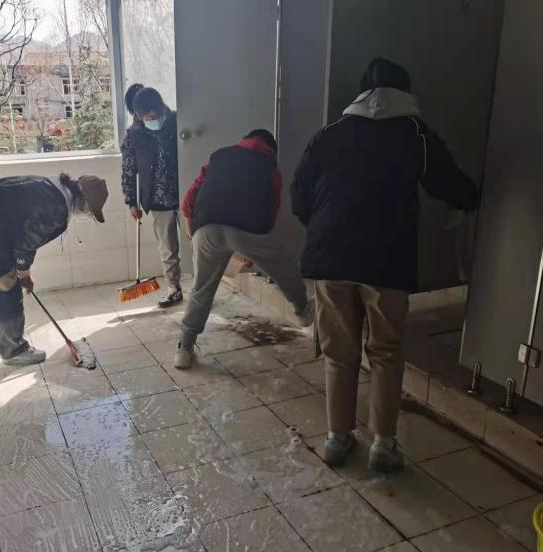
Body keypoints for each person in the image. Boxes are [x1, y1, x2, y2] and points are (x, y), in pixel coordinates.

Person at [292, 58, 479, 472]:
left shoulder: (330, 133)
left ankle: (337, 439)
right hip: (388, 261)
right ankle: (383, 445)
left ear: (361, 93)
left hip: (330, 258)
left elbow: (299, 194)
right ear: (405, 92)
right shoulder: (415, 134)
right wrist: (473, 199)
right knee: (385, 352)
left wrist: (324, 232)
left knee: (339, 354)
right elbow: (451, 184)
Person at [174, 129, 313, 369]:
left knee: (201, 290)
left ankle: (184, 349)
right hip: (247, 231)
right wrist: (253, 248)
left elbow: (188, 202)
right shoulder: (270, 167)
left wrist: (192, 236)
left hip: (206, 230)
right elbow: (270, 213)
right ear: (271, 149)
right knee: (285, 268)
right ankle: (302, 310)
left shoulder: (218, 157)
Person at [0, 174, 108, 366]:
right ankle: (14, 351)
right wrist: (24, 274)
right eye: (90, 211)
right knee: (6, 288)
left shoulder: (50, 184)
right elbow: (26, 244)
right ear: (83, 200)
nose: (87, 214)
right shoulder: (57, 209)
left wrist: (22, 269)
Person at [120, 87, 182, 308]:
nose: (151, 120)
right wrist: (131, 200)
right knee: (168, 249)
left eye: (154, 115)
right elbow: (128, 169)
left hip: (186, 195)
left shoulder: (178, 121)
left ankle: (201, 292)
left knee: (196, 244)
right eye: (146, 117)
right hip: (157, 199)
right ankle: (174, 289)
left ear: (162, 107)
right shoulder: (134, 135)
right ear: (138, 115)